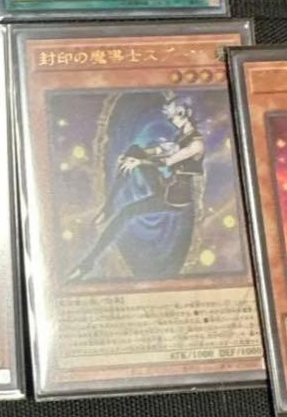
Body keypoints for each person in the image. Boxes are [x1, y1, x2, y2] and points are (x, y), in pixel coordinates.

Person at [68, 93, 203, 281]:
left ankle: (87, 264)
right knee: (134, 150)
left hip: (175, 199)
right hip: (165, 186)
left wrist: (139, 162)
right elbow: (161, 149)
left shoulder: (196, 144)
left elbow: (167, 160)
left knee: (126, 212)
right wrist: (133, 156)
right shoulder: (181, 137)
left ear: (183, 113)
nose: (171, 121)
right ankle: (108, 207)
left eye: (172, 117)